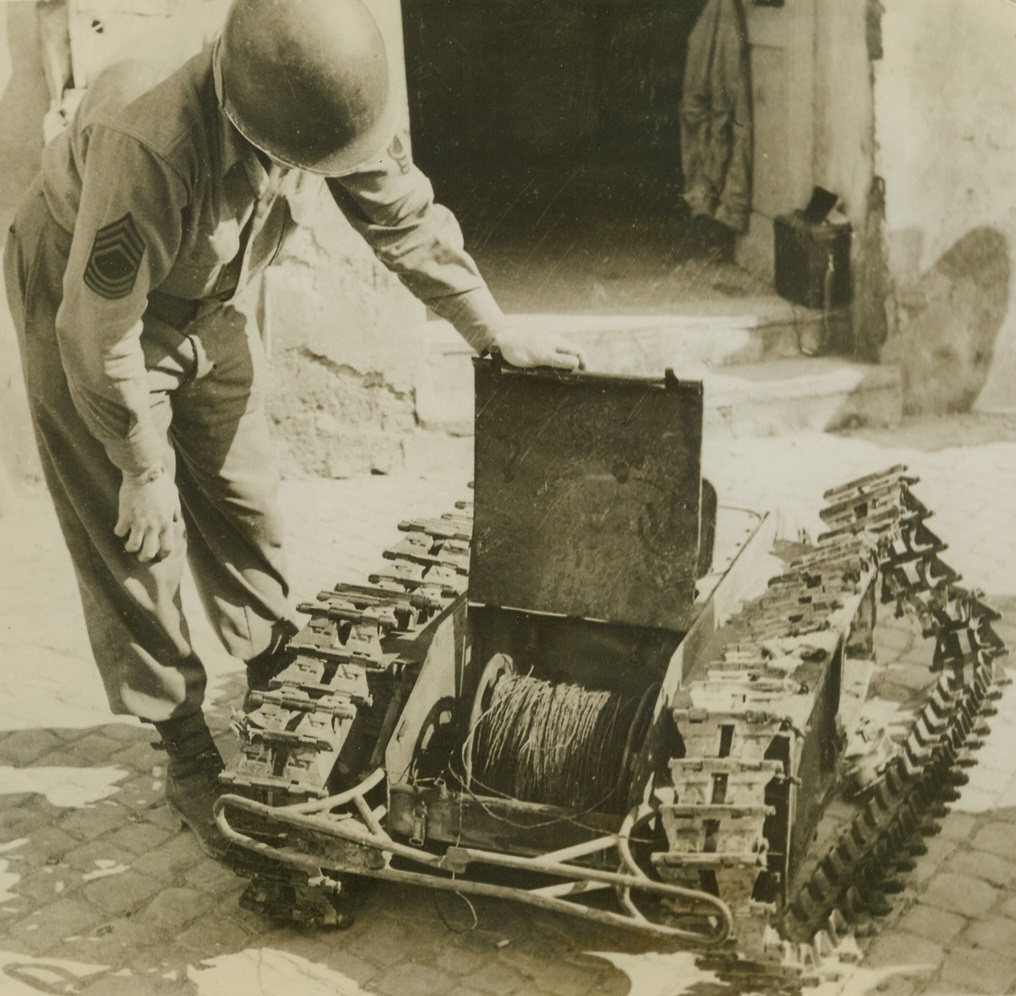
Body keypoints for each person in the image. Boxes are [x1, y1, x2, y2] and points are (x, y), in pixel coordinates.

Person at [4, 0, 584, 858]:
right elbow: (97, 332)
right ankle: (185, 744)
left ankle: (277, 673)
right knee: (136, 539)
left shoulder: (320, 94)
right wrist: (141, 463)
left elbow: (402, 212)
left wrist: (490, 328)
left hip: (208, 299)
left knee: (246, 494)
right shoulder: (150, 136)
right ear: (248, 123)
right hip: (88, 305)